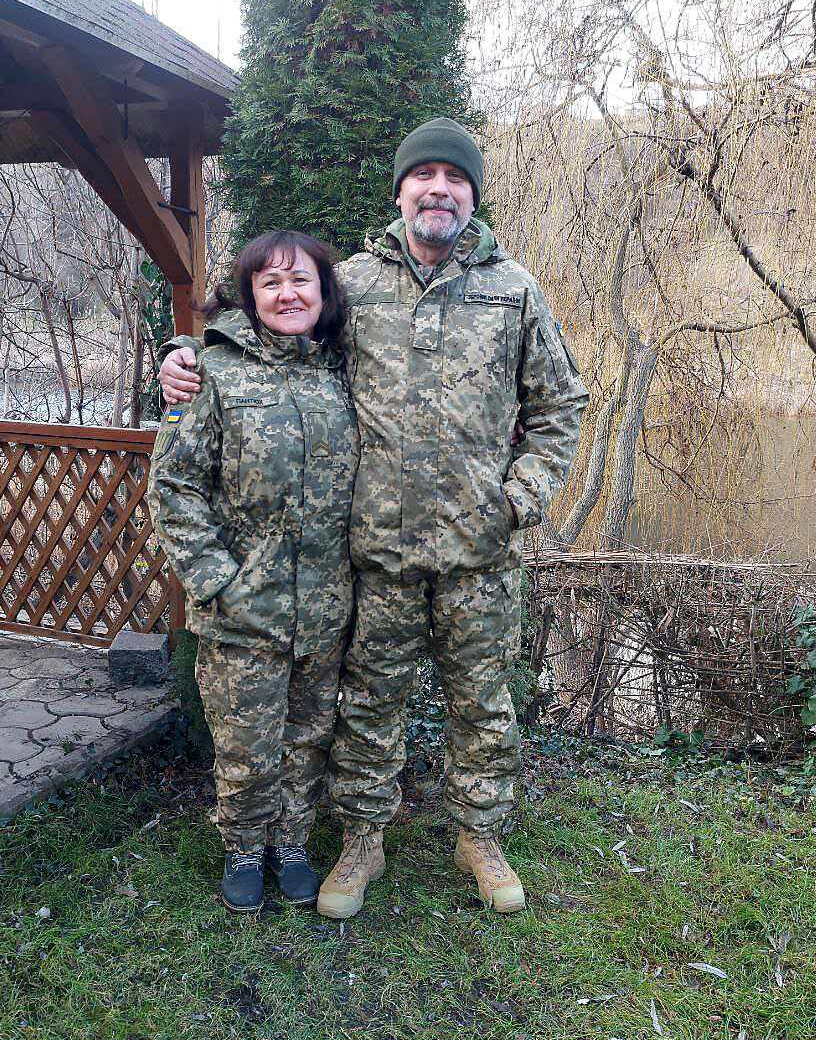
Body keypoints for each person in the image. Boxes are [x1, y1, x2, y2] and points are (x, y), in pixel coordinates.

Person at [159, 118, 588, 918]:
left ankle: (479, 836)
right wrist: (184, 354)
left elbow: (560, 405)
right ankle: (362, 840)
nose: (438, 190)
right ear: (399, 192)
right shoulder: (351, 284)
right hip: (376, 560)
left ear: (472, 195)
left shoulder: (514, 291)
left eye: (455, 178)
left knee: (483, 706)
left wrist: (520, 498)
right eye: (423, 175)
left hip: (479, 556)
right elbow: (270, 330)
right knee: (368, 710)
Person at [147, 231, 358, 913]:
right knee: (246, 745)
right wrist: (217, 580)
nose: (288, 294)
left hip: (327, 608)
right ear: (250, 296)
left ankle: (291, 845)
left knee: (307, 739)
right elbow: (174, 486)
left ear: (323, 293)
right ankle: (243, 848)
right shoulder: (211, 375)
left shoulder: (346, 372)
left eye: (301, 281)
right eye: (271, 282)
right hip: (242, 610)